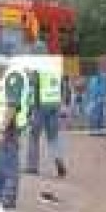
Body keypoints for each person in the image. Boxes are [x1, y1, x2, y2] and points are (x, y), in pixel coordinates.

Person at [0, 60, 32, 209]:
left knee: (8, 163)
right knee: (1, 162)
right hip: (7, 126)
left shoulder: (14, 76)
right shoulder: (11, 75)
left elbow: (12, 105)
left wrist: (2, 128)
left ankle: (7, 197)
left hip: (10, 126)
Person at [26, 49, 67, 178]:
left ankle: (32, 167)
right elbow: (62, 86)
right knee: (53, 138)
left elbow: (33, 86)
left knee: (33, 136)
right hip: (54, 105)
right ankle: (59, 161)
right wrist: (61, 104)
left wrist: (29, 108)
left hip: (40, 106)